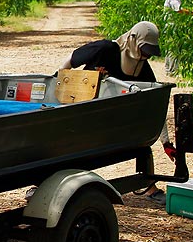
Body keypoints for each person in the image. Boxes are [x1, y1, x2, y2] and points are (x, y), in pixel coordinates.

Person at [59, 21, 177, 205]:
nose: (146, 55)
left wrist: (166, 143)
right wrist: (62, 89)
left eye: (149, 52)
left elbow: (155, 104)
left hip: (108, 120)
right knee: (69, 147)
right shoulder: (105, 49)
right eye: (144, 49)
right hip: (81, 113)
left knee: (143, 145)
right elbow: (68, 63)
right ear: (132, 40)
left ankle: (149, 186)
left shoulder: (142, 68)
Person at [163, 0, 193, 75]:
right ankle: (172, 70)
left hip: (170, 26)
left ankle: (169, 69)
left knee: (170, 48)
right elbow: (178, 10)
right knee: (174, 48)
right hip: (172, 26)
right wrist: (191, 13)